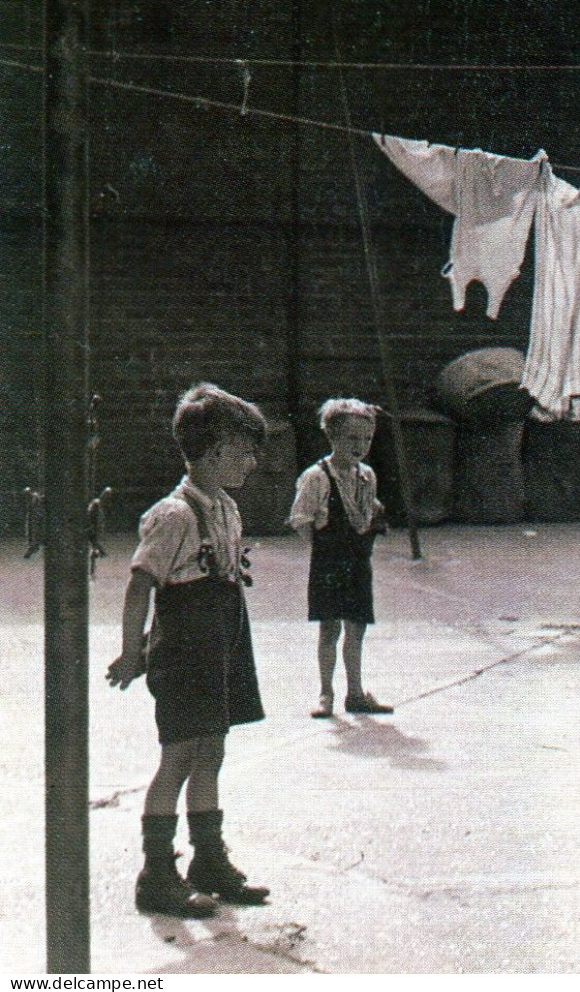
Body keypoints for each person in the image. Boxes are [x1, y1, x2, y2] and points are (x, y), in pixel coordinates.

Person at [105, 383, 271, 917]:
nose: (251, 462)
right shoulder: (172, 516)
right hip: (183, 651)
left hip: (220, 647)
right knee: (177, 757)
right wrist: (132, 652)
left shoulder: (226, 507)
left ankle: (208, 860)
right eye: (245, 452)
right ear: (216, 449)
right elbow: (140, 585)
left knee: (212, 750)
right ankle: (157, 873)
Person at [289, 398, 391, 718]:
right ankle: (325, 693)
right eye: (351, 439)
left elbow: (367, 511)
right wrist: (320, 549)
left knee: (357, 627)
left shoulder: (367, 476)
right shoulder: (317, 477)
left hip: (358, 561)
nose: (360, 446)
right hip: (329, 562)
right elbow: (300, 518)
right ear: (332, 437)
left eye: (366, 439)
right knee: (329, 628)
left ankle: (356, 692)